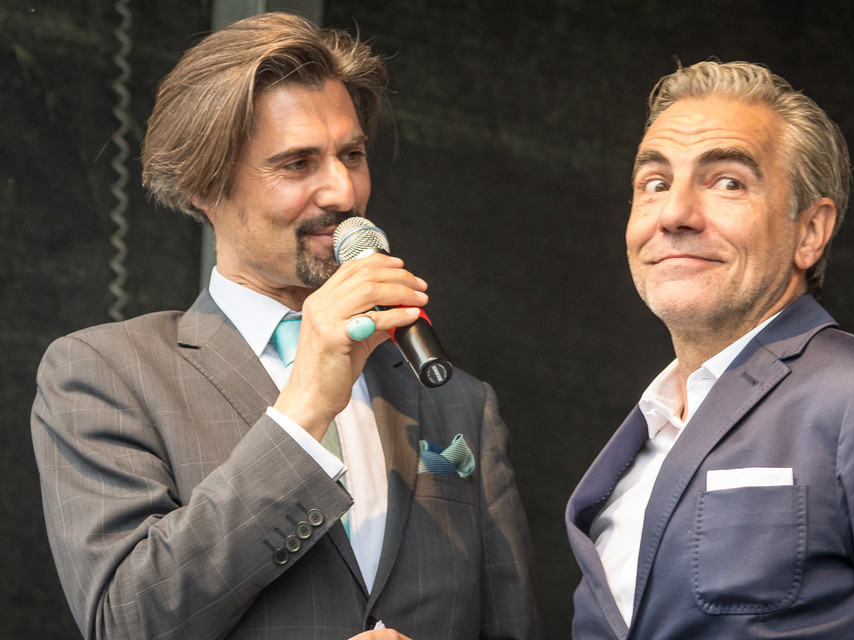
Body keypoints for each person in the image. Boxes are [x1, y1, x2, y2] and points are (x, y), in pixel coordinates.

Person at [31, 12, 538, 640]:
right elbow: (127, 621)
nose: (342, 191)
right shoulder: (106, 374)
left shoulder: (459, 400)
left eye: (352, 155)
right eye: (297, 163)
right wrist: (303, 411)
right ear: (202, 186)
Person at [565, 59, 854, 639]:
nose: (675, 214)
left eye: (728, 182)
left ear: (810, 231)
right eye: (655, 183)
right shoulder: (640, 438)